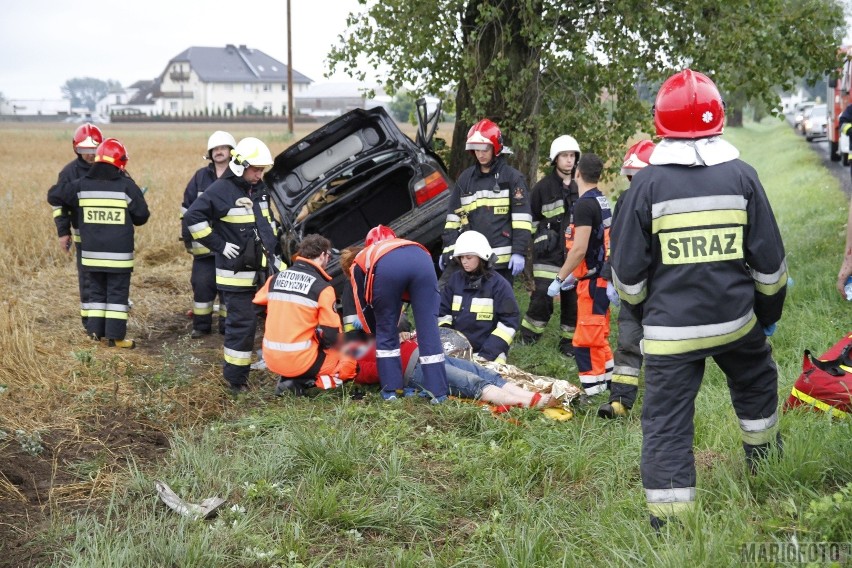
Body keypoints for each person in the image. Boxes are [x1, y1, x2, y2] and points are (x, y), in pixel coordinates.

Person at [610, 69, 787, 529]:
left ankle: (669, 524)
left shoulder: (643, 188)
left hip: (669, 335)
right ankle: (767, 470)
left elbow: (627, 277)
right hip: (736, 323)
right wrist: (765, 318)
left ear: (661, 124)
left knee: (666, 424)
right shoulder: (743, 177)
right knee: (756, 386)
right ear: (719, 120)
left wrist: (649, 313)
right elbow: (770, 267)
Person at [184, 137, 283, 394]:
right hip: (235, 274)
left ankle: (275, 367)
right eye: (256, 169)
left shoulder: (259, 188)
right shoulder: (220, 189)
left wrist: (276, 257)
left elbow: (266, 225)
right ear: (240, 165)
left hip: (261, 271)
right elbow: (193, 217)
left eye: (262, 170)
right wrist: (218, 244)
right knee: (242, 326)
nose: (259, 174)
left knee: (267, 321)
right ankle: (235, 381)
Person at [48, 138, 150, 347]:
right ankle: (115, 338)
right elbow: (141, 216)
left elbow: (53, 195)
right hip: (119, 258)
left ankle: (95, 334)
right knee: (116, 295)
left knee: (96, 293)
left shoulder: (81, 186)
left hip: (91, 255)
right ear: (120, 162)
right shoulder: (126, 187)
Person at [348, 225, 449, 402]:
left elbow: (361, 305)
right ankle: (438, 392)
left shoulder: (362, 258)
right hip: (423, 259)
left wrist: (374, 330)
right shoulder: (405, 245)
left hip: (389, 270)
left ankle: (392, 391)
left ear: (367, 245)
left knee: (385, 330)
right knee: (428, 329)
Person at [253, 234, 357, 395]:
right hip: (299, 361)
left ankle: (290, 377)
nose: (328, 260)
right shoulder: (322, 288)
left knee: (317, 336)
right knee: (350, 363)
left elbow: (258, 308)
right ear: (322, 255)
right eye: (329, 256)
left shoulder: (276, 278)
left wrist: (283, 320)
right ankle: (306, 382)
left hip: (271, 358)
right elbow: (332, 336)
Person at [598, 139, 656, 419]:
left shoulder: (666, 203)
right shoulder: (625, 201)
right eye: (630, 176)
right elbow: (616, 243)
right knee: (628, 341)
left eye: (637, 175)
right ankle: (620, 401)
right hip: (631, 286)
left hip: (661, 289)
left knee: (662, 348)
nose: (632, 181)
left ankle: (660, 401)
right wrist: (610, 276)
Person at [547, 153, 614, 396]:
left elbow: (579, 248)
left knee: (585, 340)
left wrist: (560, 277)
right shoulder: (601, 200)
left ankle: (593, 392)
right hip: (598, 279)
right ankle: (608, 383)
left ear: (577, 173)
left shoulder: (585, 204)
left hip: (593, 283)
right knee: (599, 336)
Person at [439, 119, 532, 285]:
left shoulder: (512, 178)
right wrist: (449, 250)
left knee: (498, 308)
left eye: (485, 149)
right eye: (477, 149)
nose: (480, 154)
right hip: (472, 259)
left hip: (500, 263)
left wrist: (519, 252)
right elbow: (453, 219)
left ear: (495, 148)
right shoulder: (465, 179)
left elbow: (522, 221)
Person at [351, 335, 556, 408]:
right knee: (471, 381)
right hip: (414, 370)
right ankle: (532, 403)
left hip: (426, 355)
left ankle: (532, 395)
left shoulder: (355, 341)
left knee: (483, 372)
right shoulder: (347, 362)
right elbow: (378, 372)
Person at [519, 135, 581, 357]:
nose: (569, 160)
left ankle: (568, 344)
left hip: (574, 252)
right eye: (564, 156)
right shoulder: (542, 188)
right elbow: (530, 219)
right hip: (548, 253)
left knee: (573, 301)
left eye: (572, 155)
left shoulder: (580, 185)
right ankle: (528, 337)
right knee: (543, 295)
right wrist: (541, 236)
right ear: (555, 159)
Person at [48, 123, 104, 329]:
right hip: (84, 237)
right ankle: (90, 323)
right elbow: (59, 204)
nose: (90, 154)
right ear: (76, 148)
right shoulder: (69, 172)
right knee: (88, 280)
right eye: (84, 150)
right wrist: (63, 233)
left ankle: (109, 318)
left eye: (93, 149)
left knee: (111, 280)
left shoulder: (111, 168)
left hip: (109, 237)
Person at [181, 131, 236, 338]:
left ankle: (226, 327)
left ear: (231, 152)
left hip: (230, 247)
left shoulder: (238, 177)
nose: (219, 152)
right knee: (202, 285)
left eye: (223, 148)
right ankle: (201, 326)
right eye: (215, 149)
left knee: (228, 289)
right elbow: (186, 210)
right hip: (203, 248)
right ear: (210, 153)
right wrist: (188, 237)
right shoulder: (200, 177)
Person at [438, 230, 520, 363]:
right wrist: (449, 340)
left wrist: (486, 355)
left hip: (489, 353)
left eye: (469, 258)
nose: (464, 262)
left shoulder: (499, 285)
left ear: (482, 257)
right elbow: (443, 313)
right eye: (462, 257)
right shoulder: (455, 280)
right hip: (455, 350)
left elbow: (509, 323)